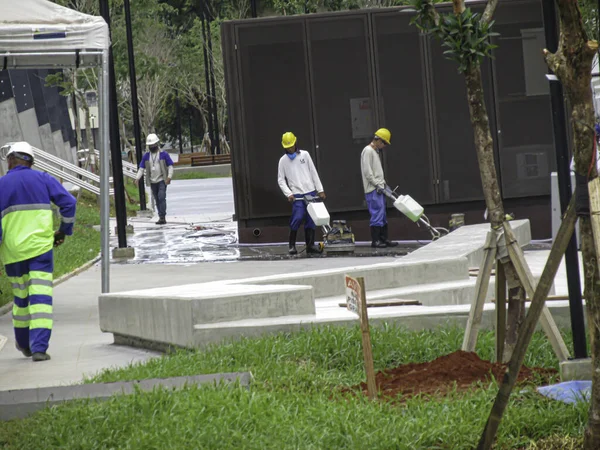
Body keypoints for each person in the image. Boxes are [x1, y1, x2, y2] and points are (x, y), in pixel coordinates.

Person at [0, 141, 76, 362]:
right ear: (30, 161)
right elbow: (69, 203)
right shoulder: (43, 179)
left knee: (21, 298)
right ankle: (39, 348)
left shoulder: (1, 184)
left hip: (13, 253)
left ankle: (23, 344)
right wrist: (63, 231)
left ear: (11, 160)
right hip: (41, 251)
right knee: (41, 298)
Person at [277, 132, 326, 255]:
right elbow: (281, 179)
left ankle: (310, 246)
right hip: (297, 195)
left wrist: (320, 190)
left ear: (295, 142)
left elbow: (313, 172)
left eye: (292, 145)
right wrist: (288, 193)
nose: (290, 148)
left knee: (311, 219)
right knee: (297, 218)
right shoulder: (283, 161)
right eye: (288, 146)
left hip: (310, 192)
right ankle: (292, 245)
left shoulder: (305, 155)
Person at [360, 128, 398, 248]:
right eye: (384, 143)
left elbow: (376, 172)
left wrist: (384, 184)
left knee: (382, 214)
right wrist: (377, 184)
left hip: (379, 187)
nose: (384, 146)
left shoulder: (374, 152)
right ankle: (376, 241)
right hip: (373, 189)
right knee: (377, 213)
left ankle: (383, 239)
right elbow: (368, 173)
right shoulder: (368, 151)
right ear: (378, 140)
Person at [135, 133, 174, 225]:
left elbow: (170, 166)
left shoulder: (163, 154)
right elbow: (141, 168)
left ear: (157, 144)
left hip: (162, 180)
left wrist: (169, 177)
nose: (152, 147)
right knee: (156, 199)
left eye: (154, 145)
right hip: (152, 181)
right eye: (150, 145)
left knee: (161, 197)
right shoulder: (146, 156)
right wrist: (137, 178)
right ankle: (161, 216)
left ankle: (162, 216)